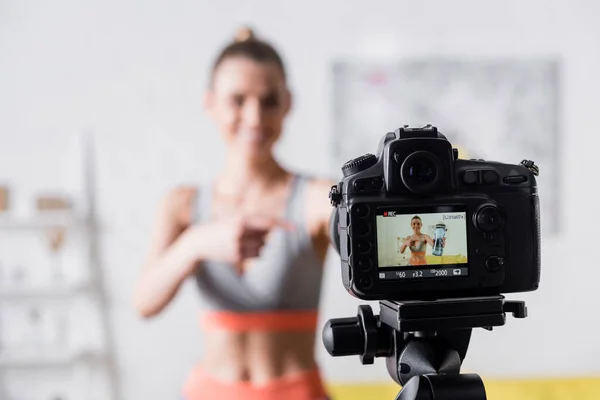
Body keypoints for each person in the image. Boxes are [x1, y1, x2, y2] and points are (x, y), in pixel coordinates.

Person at [133, 27, 335, 400]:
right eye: (237, 100)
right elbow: (144, 302)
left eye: (269, 100)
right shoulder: (181, 205)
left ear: (288, 103)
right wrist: (196, 242)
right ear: (210, 103)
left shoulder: (316, 197)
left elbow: (363, 229)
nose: (255, 117)